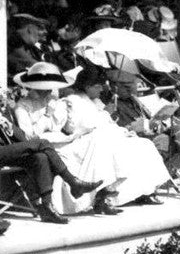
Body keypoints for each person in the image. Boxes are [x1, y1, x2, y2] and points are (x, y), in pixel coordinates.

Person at [17, 64, 171, 215]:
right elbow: (31, 136)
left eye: (50, 87)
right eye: (44, 88)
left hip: (71, 140)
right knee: (100, 140)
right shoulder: (23, 106)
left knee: (131, 142)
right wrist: (47, 115)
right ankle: (102, 196)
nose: (49, 91)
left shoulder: (55, 101)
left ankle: (125, 193)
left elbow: (67, 124)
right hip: (52, 145)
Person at [1, 80, 103, 223]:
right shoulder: (21, 106)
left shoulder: (3, 116)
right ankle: (73, 182)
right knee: (43, 143)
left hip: (7, 151)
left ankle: (47, 207)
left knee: (40, 157)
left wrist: (7, 126)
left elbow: (23, 138)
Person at [111, 75, 180, 197]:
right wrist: (147, 125)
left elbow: (150, 118)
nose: (130, 90)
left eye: (131, 87)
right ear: (115, 87)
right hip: (137, 141)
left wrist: (159, 123)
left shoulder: (134, 100)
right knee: (173, 139)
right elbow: (121, 129)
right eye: (126, 87)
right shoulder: (113, 105)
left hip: (153, 134)